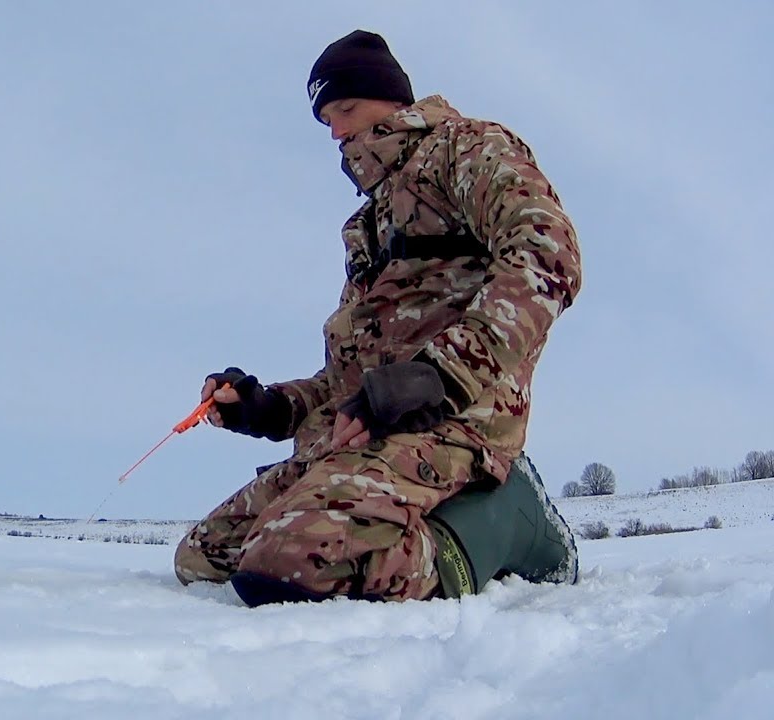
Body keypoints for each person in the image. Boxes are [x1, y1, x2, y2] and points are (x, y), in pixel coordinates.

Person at [174, 29, 582, 606]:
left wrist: (437, 376)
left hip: (455, 422)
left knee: (289, 563)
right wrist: (266, 406)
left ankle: (506, 517)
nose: (336, 132)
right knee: (203, 557)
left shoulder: (466, 149)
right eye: (325, 122)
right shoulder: (369, 226)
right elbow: (347, 381)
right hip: (360, 440)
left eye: (345, 109)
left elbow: (548, 253)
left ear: (392, 100)